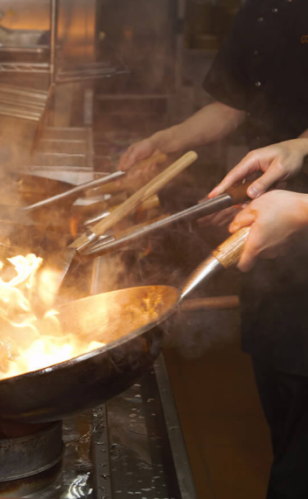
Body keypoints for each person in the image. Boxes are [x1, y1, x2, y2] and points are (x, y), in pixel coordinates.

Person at [119, 1, 308, 497]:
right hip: (271, 249)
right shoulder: (259, 12)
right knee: (283, 401)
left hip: (290, 220)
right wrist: (170, 139)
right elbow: (232, 103)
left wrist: (301, 198)